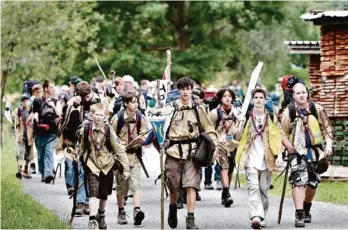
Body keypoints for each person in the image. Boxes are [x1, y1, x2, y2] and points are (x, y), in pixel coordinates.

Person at [165, 77, 219, 229]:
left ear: (191, 89)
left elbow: (209, 129)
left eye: (187, 89)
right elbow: (160, 130)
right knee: (174, 186)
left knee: (191, 185)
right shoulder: (170, 108)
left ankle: (190, 219)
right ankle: (173, 207)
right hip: (173, 152)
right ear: (179, 90)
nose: (185, 92)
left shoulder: (198, 109)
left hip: (192, 153)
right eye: (182, 89)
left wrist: (214, 146)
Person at [280, 82, 334, 228]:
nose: (301, 95)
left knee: (312, 183)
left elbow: (327, 129)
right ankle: (299, 214)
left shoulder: (317, 109)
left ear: (307, 93)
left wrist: (328, 145)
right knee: (298, 180)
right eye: (298, 93)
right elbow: (281, 132)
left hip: (316, 152)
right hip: (297, 152)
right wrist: (286, 144)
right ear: (293, 95)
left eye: (303, 92)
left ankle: (306, 207)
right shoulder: (289, 112)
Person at [78, 103, 129, 230]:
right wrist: (76, 156)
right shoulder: (85, 129)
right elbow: (80, 148)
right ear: (92, 115)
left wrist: (126, 168)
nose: (99, 117)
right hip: (92, 165)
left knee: (104, 194)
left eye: (101, 115)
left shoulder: (108, 130)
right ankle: (92, 220)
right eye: (97, 114)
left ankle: (101, 215)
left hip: (107, 165)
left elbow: (118, 150)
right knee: (93, 193)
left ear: (105, 115)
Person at [235, 88, 282, 229]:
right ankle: (255, 216)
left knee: (263, 189)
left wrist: (280, 155)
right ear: (253, 100)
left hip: (266, 159)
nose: (259, 99)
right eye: (256, 97)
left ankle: (262, 216)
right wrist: (240, 123)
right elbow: (237, 137)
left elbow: (279, 136)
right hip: (250, 157)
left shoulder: (271, 117)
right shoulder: (247, 117)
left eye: (261, 97)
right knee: (253, 187)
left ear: (265, 99)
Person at [110, 91, 150, 226]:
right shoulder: (117, 118)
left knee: (136, 184)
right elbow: (110, 136)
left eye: (137, 101)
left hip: (135, 155)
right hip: (121, 157)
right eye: (133, 102)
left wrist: (141, 140)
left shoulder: (141, 117)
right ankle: (121, 211)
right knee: (122, 186)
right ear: (126, 103)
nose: (136, 104)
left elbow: (145, 134)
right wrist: (119, 146)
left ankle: (136, 211)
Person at [209, 88, 244, 207]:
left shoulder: (238, 113)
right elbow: (210, 129)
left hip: (234, 144)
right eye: (224, 96)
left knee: (230, 169)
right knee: (224, 167)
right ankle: (227, 191)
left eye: (229, 96)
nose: (227, 98)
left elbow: (240, 131)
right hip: (220, 145)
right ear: (220, 98)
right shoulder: (215, 113)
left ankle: (225, 193)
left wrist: (241, 122)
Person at [30, 80, 59, 183]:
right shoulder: (37, 101)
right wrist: (33, 118)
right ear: (46, 88)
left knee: (49, 152)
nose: (53, 89)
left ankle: (48, 174)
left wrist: (53, 106)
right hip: (40, 132)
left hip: (52, 133)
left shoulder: (56, 101)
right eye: (51, 87)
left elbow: (60, 115)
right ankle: (43, 173)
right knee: (41, 154)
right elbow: (33, 114)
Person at [14, 94, 34, 179]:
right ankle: (20, 170)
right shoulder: (18, 110)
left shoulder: (32, 110)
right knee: (21, 153)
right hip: (21, 136)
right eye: (23, 101)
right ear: (21, 102)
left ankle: (26, 170)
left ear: (29, 101)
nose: (25, 102)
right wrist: (16, 120)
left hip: (30, 136)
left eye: (27, 100)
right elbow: (15, 121)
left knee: (28, 155)